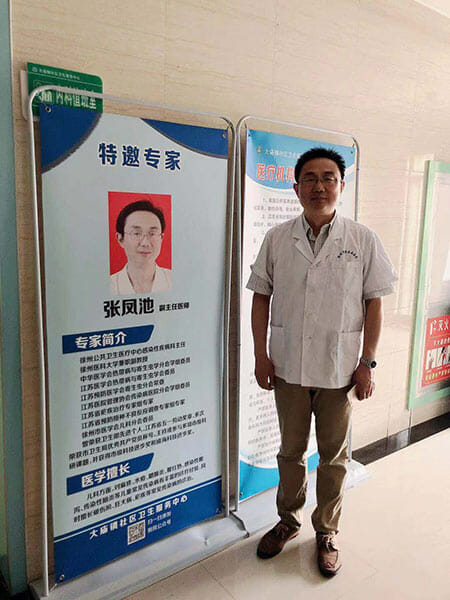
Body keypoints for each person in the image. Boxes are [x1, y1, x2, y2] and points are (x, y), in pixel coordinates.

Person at [247, 147, 397, 577]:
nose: (319, 186)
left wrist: (368, 362)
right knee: (290, 451)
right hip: (288, 366)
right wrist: (260, 355)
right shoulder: (278, 237)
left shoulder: (362, 239)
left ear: (341, 186)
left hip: (339, 369)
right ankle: (288, 520)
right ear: (295, 188)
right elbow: (261, 297)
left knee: (334, 456)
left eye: (328, 177)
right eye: (309, 178)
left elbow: (374, 303)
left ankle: (327, 531)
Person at [110, 199, 171, 295]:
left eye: (152, 233)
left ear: (161, 238)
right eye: (136, 233)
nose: (145, 243)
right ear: (120, 239)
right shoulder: (110, 285)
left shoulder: (175, 279)